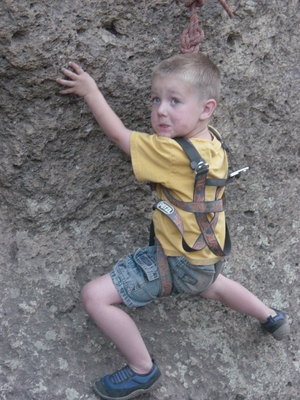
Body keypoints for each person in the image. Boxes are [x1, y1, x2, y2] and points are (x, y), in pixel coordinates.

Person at [57, 53, 290, 400]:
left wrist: (91, 91)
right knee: (211, 284)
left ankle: (141, 370)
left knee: (94, 297)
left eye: (174, 101)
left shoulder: (171, 153)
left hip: (177, 261)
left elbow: (122, 138)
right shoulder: (212, 141)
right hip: (209, 256)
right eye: (156, 99)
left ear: (206, 108)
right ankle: (270, 316)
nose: (161, 110)